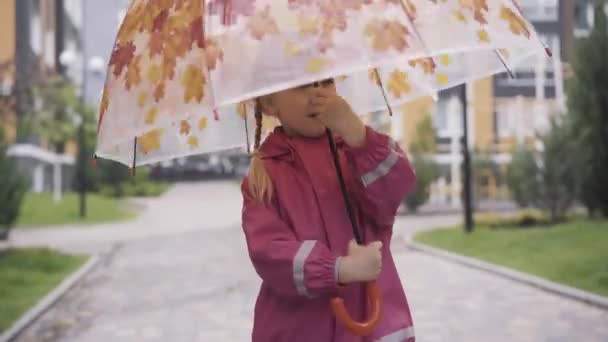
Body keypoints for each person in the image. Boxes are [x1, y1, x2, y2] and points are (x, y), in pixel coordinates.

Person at [240, 78, 417, 342]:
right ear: (268, 102)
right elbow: (268, 251)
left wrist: (355, 131)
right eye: (302, 85)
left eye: (326, 82)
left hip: (372, 323)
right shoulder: (264, 175)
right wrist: (338, 269)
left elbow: (395, 189)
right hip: (301, 330)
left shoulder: (356, 150)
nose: (317, 93)